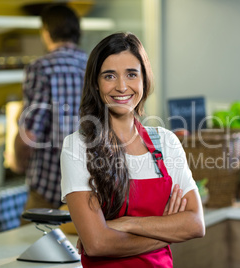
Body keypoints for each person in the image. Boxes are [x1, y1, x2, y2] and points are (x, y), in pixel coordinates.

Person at [60, 32, 205, 267]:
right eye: (109, 76)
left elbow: (195, 224)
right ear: (96, 85)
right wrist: (166, 227)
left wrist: (128, 223)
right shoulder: (77, 147)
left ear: (144, 80)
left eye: (131, 74)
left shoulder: (166, 142)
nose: (121, 86)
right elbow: (97, 244)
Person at [8, 4, 88, 218]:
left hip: (49, 185)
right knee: (78, 247)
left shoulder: (41, 68)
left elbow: (29, 134)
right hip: (88, 183)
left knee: (31, 247)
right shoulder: (93, 66)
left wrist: (16, 161)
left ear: (46, 31)